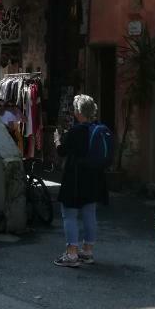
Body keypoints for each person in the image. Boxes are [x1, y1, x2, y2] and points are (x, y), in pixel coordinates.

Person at [53, 94, 108, 268]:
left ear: (78, 112)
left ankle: (71, 254)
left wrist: (56, 140)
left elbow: (62, 151)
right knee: (89, 213)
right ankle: (87, 251)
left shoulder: (75, 131)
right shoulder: (98, 128)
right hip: (94, 177)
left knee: (69, 214)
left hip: (75, 177)